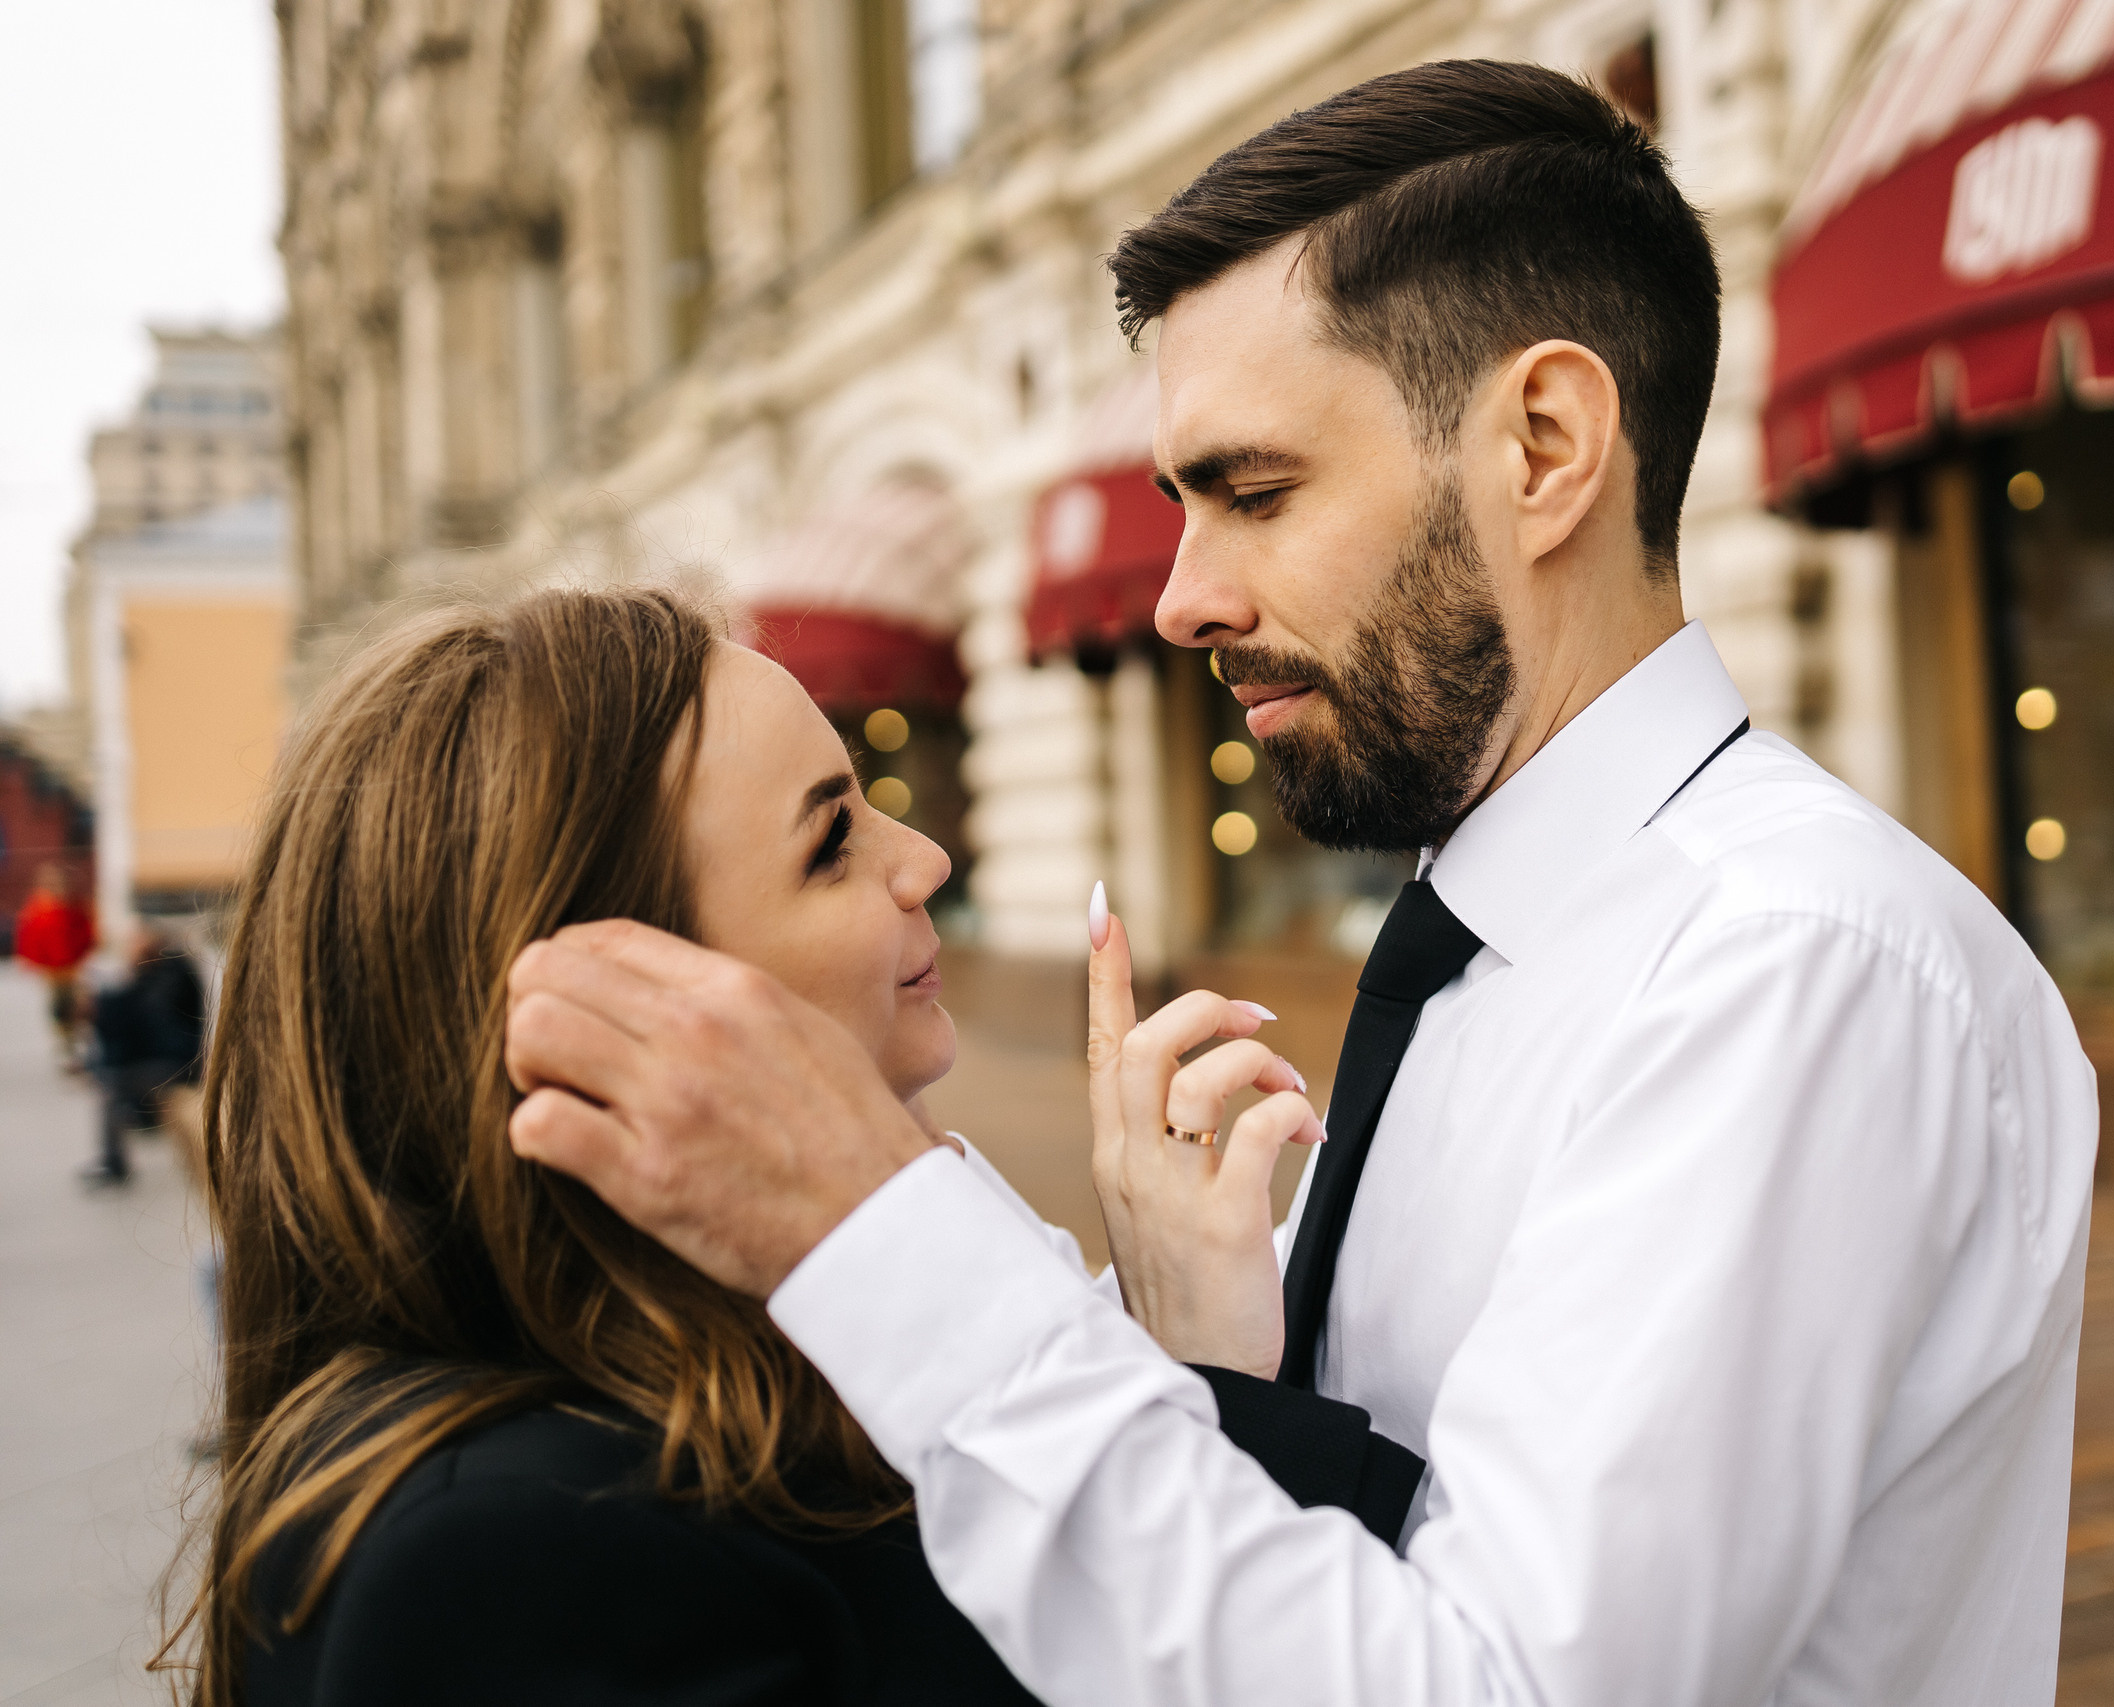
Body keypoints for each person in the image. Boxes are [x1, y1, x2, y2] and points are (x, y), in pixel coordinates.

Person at [503, 62, 2101, 1707]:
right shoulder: (1506, 939)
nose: (1185, 596)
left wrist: (879, 1235)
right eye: (1178, 506)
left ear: (1543, 445)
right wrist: (1213, 1368)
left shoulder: (1789, 968)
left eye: (1253, 491)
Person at [174, 587, 1225, 1707]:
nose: (924, 859)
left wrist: (1176, 1351)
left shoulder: (757, 1379)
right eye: (831, 842)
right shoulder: (528, 1554)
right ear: (608, 1007)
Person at [82, 925, 206, 1187]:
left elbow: (147, 1024)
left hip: (176, 1063)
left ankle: (115, 1163)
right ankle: (121, 1149)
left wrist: (126, 981)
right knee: (110, 1081)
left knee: (112, 1090)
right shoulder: (155, 975)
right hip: (168, 1059)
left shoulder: (169, 976)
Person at [13, 862, 96, 1070]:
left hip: (73, 965)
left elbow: (86, 931)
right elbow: (29, 935)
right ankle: (67, 1045)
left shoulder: (75, 905)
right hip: (52, 968)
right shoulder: (39, 907)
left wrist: (84, 952)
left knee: (77, 1004)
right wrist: (31, 959)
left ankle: (76, 1042)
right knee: (59, 1005)